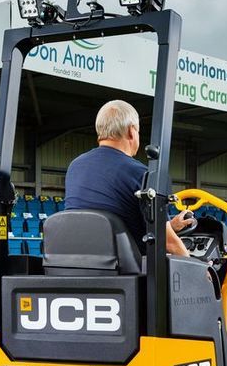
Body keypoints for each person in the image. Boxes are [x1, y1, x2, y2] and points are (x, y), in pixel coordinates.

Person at [64, 99, 193, 256]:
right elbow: (169, 243)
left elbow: (96, 230)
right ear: (132, 131)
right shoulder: (140, 173)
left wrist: (170, 226)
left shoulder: (75, 167)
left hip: (75, 263)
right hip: (123, 271)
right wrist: (200, 271)